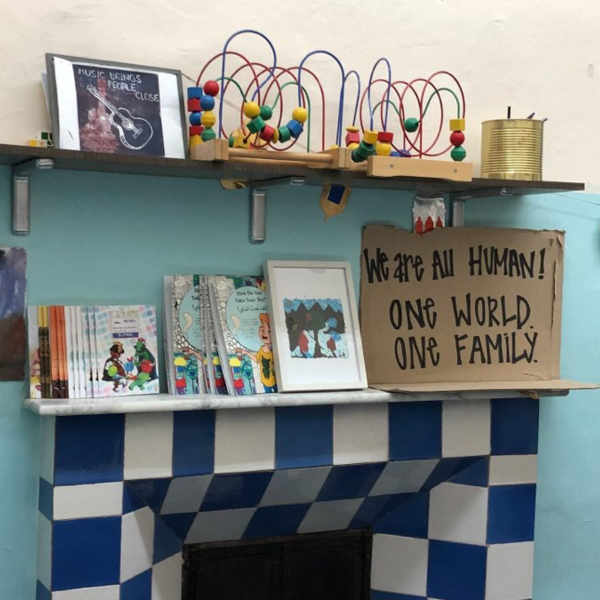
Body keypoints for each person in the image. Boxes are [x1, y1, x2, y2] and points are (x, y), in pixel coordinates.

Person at [241, 313, 277, 393]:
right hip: (265, 381)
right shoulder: (261, 349)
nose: (264, 333)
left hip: (276, 381)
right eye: (262, 328)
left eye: (269, 330)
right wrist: (246, 352)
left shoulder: (275, 350)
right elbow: (256, 359)